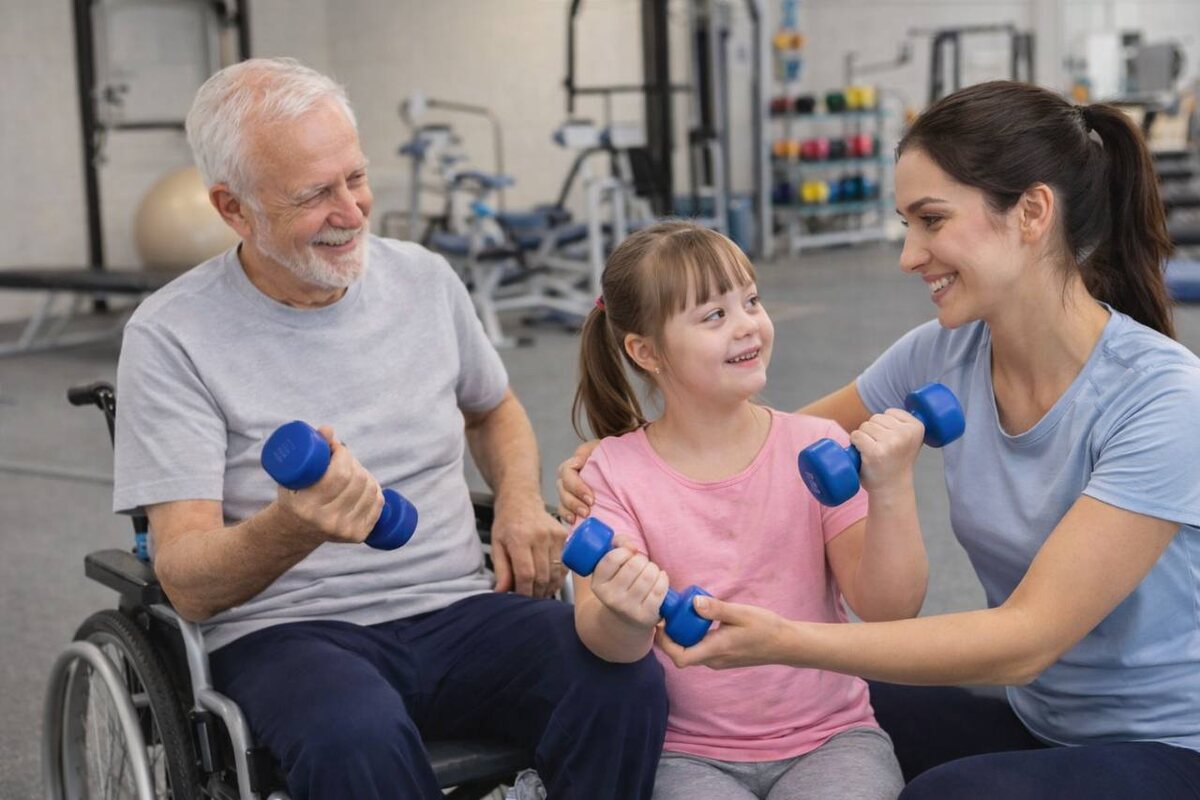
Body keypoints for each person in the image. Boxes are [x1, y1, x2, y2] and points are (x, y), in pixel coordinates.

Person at [557, 81, 1200, 799]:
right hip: (1038, 718)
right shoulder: (943, 354)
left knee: (936, 788)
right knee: (820, 714)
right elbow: (762, 446)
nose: (908, 255)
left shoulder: (1162, 396)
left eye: (930, 221)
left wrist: (785, 640)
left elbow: (1028, 640)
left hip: (1165, 743)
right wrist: (626, 464)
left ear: (1032, 213)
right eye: (906, 224)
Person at [112, 57, 667, 800]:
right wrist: (294, 526)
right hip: (289, 632)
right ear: (234, 209)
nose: (352, 211)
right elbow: (186, 581)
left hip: (456, 603)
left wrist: (517, 501)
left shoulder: (425, 280)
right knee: (356, 739)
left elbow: (492, 408)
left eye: (355, 178)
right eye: (315, 194)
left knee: (622, 679)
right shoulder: (171, 336)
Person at [568, 220, 934, 799]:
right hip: (685, 752)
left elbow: (890, 609)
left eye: (751, 301)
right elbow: (606, 641)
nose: (748, 326)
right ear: (645, 351)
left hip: (832, 738)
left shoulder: (814, 447)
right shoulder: (613, 474)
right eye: (714, 316)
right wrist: (625, 612)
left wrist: (890, 490)